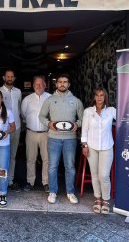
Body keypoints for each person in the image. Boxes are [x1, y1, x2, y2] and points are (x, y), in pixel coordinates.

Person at [39, 73, 84, 204]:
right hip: (53, 138)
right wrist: (49, 124)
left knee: (70, 166)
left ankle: (70, 192)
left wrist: (77, 124)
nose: (62, 84)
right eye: (60, 82)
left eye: (65, 82)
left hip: (70, 139)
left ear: (68, 84)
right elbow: (41, 116)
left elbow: (83, 119)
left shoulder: (76, 101)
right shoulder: (49, 100)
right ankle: (53, 191)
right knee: (52, 166)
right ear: (56, 84)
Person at [81, 88, 116, 214]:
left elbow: (124, 120)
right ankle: (97, 199)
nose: (99, 97)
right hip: (91, 147)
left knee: (104, 175)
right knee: (95, 174)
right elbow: (84, 129)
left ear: (105, 97)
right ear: (94, 97)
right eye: (97, 95)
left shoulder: (111, 111)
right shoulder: (88, 111)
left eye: (102, 95)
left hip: (107, 147)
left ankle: (106, 200)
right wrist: (84, 145)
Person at [0, 69, 22, 191]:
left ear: (14, 78)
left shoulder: (18, 92)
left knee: (12, 155)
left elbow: (19, 109)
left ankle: (9, 180)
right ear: (4, 77)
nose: (10, 78)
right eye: (8, 76)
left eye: (12, 76)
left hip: (15, 127)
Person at [21, 76, 51, 192]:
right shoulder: (27, 99)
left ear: (45, 85)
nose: (38, 86)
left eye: (41, 84)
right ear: (33, 86)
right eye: (36, 84)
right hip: (31, 133)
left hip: (46, 133)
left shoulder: (50, 98)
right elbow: (23, 115)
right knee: (30, 158)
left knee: (47, 159)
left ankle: (46, 182)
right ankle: (30, 182)